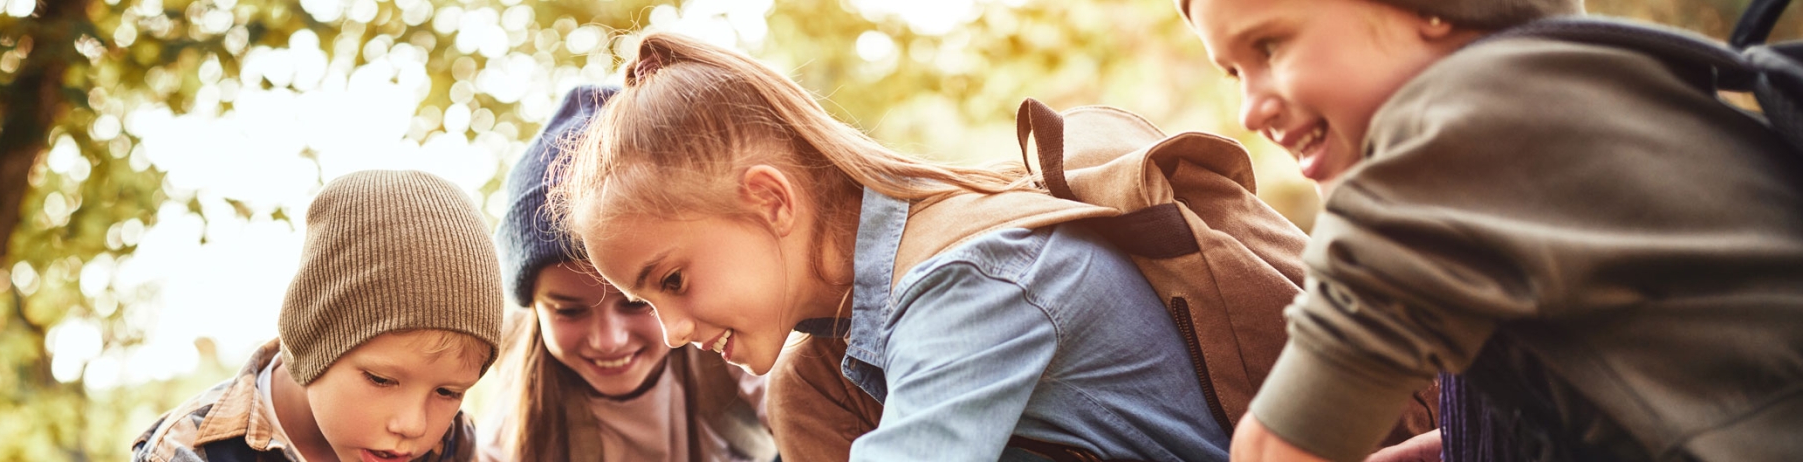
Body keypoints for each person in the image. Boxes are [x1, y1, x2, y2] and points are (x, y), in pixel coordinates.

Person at [549, 32, 1234, 461]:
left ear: (772, 201)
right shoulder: (822, 376)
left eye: (672, 280)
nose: (670, 332)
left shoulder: (970, 277)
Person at [1179, 0, 1803, 460]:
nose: (1250, 110)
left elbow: (1278, 453)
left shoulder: (1453, 135)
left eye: (1270, 47)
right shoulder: (1589, 81)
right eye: (1234, 72)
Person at [478, 85, 775, 462]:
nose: (608, 341)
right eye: (568, 311)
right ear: (534, 309)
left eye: (636, 304)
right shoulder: (517, 422)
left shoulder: (726, 344)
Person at [131, 170, 506, 462]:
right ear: (312, 341)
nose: (413, 425)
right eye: (380, 379)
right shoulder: (189, 452)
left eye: (448, 392)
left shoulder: (451, 445)